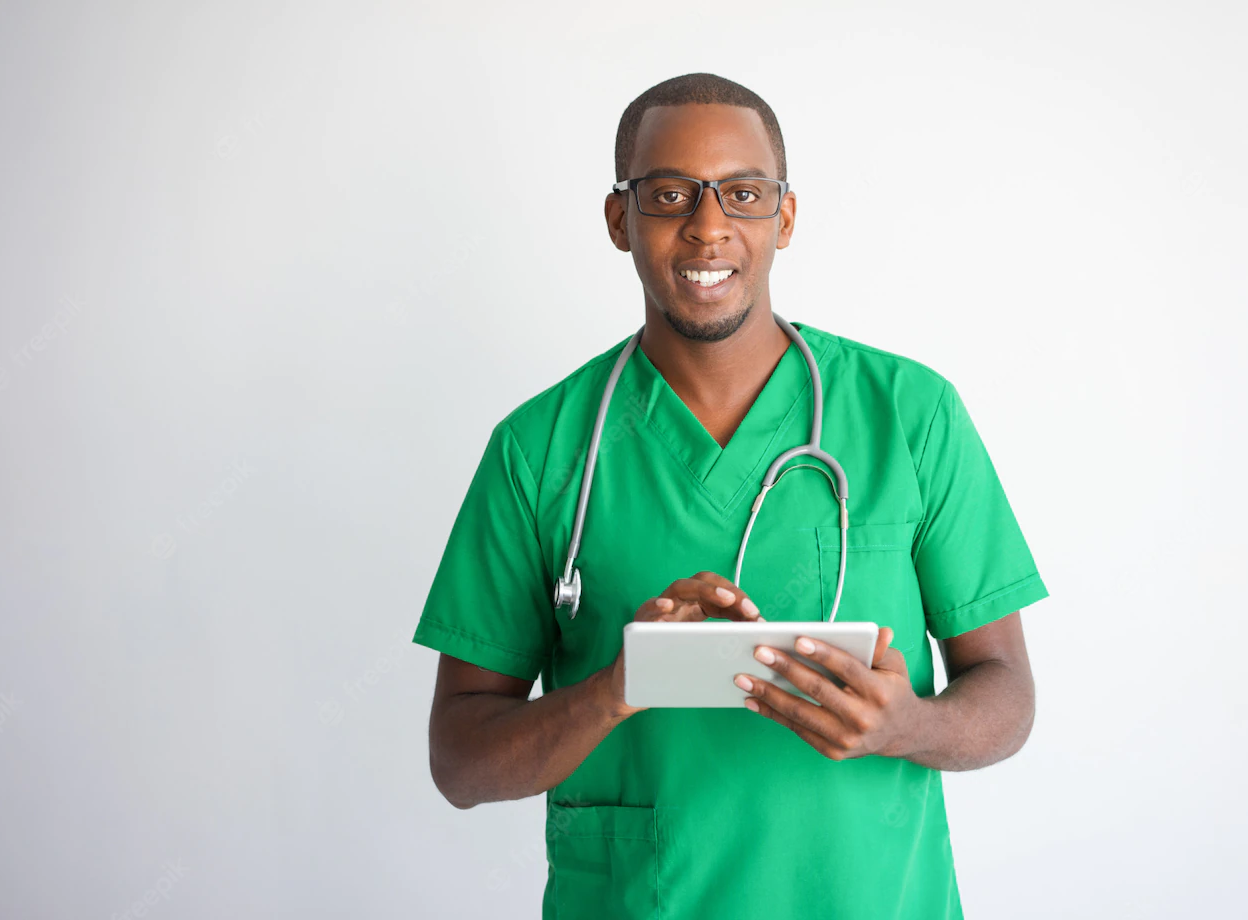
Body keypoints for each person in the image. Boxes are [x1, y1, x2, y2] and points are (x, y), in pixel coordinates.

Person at [412, 72, 1050, 919]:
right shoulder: (539, 450)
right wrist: (615, 689)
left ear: (784, 217)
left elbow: (1005, 692)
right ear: (620, 219)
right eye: (670, 194)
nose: (708, 226)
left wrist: (907, 728)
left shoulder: (910, 414)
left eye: (743, 194)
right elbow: (460, 761)